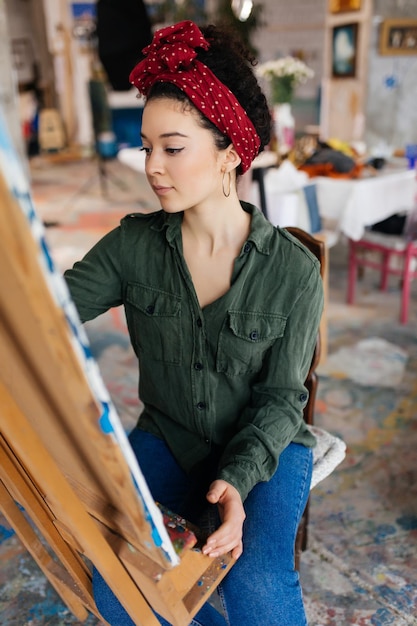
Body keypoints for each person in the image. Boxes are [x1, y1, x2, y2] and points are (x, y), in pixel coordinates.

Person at [65, 20, 323, 626]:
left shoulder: (293, 270)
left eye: (173, 147)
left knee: (255, 585)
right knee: (124, 587)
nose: (153, 165)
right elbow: (47, 315)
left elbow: (285, 399)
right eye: (146, 147)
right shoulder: (132, 245)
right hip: (170, 432)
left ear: (230, 150)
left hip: (267, 443)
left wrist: (237, 479)